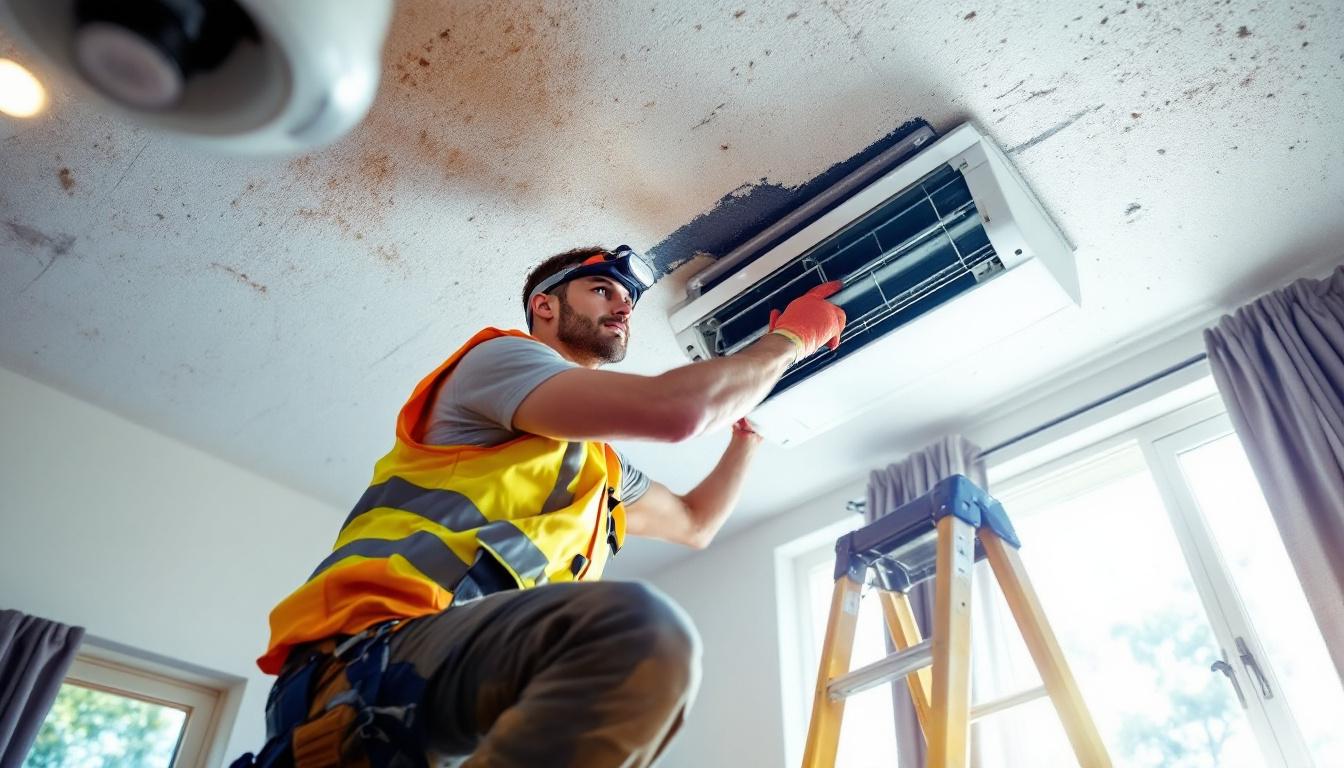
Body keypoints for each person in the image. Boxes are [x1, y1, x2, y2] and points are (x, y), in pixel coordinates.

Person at [234, 245, 846, 768]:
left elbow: (695, 523)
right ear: (544, 306)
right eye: (602, 288)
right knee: (632, 633)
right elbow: (678, 412)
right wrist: (787, 341)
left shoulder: (598, 468)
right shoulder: (498, 362)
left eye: (626, 300)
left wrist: (749, 434)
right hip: (373, 655)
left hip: (463, 692)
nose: (623, 306)